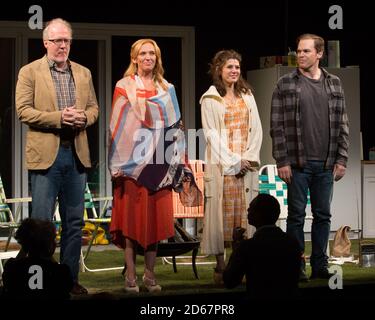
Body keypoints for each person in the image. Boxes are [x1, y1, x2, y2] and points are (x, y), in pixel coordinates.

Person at [15, 18, 99, 294]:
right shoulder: (30, 72)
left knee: (74, 223)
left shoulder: (84, 73)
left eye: (66, 41)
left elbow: (94, 110)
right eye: (57, 41)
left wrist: (84, 118)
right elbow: (23, 111)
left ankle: (69, 280)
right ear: (46, 43)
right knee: (41, 224)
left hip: (76, 156)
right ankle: (37, 283)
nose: (62, 46)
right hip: (46, 157)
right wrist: (59, 118)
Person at [108, 39, 197, 293]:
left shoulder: (166, 88)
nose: (148, 57)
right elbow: (118, 126)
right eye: (143, 53)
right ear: (134, 58)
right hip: (131, 166)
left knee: (155, 223)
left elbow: (175, 128)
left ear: (157, 58)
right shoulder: (124, 86)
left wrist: (180, 161)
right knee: (131, 223)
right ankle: (131, 277)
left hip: (159, 165)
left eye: (152, 54)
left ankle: (150, 275)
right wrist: (121, 162)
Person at [270, 34, 349, 280]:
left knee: (323, 216)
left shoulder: (334, 83)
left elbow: (343, 123)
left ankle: (320, 265)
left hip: (326, 163)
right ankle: (296, 266)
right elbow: (277, 126)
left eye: (305, 51)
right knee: (296, 216)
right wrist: (282, 160)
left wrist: (342, 158)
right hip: (297, 163)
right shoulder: (285, 83)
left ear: (319, 54)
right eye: (298, 51)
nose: (300, 55)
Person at [200, 50, 263, 284]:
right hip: (223, 165)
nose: (234, 70)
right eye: (229, 67)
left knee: (244, 217)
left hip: (246, 165)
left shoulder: (247, 95)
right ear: (218, 69)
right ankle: (221, 266)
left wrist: (247, 158)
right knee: (221, 217)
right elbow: (211, 135)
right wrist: (234, 161)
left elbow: (256, 129)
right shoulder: (210, 98)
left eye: (237, 67)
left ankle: (241, 264)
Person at [223, 194, 300, 298]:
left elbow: (230, 281)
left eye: (251, 209)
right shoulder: (292, 243)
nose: (248, 211)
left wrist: (236, 248)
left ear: (258, 214)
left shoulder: (249, 246)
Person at [2, 218, 73, 299]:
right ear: (48, 244)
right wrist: (48, 253)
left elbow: (8, 281)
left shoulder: (13, 267)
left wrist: (25, 247)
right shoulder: (60, 271)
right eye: (53, 239)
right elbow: (67, 287)